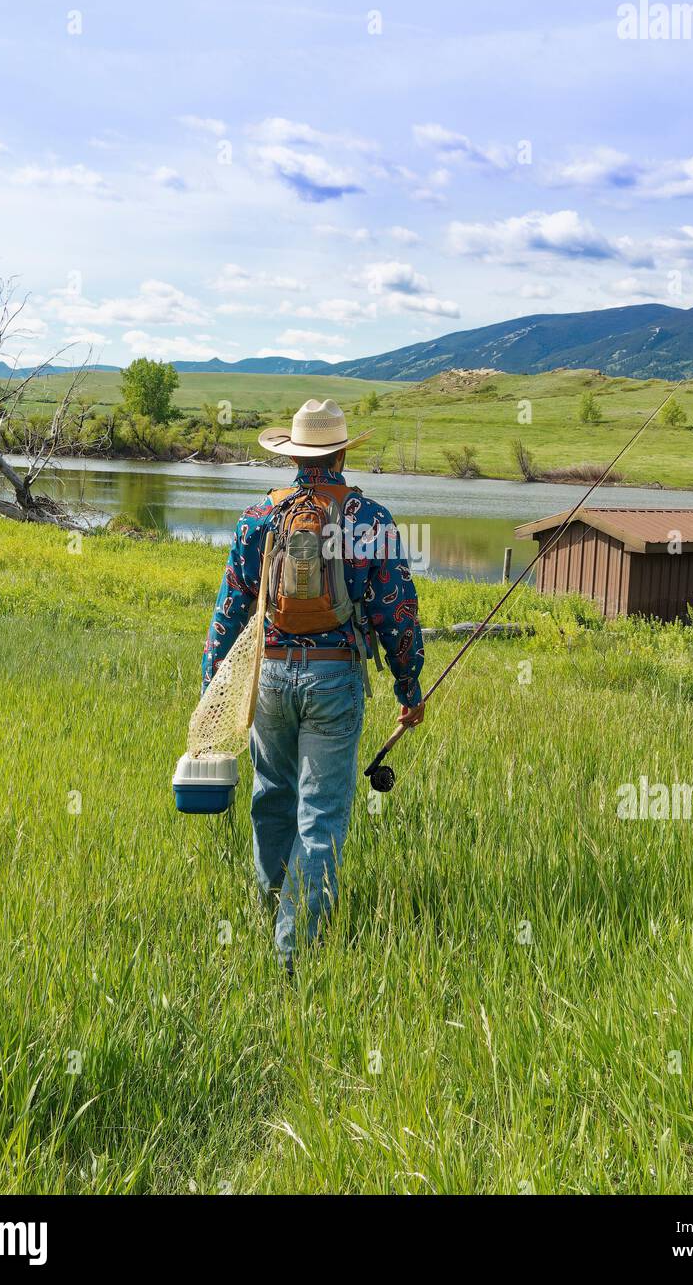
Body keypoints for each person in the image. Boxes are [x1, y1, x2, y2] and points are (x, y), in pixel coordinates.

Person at [202, 399, 424, 965]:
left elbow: (232, 604)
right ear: (344, 451)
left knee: (270, 797)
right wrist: (408, 688)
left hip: (269, 675)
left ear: (294, 455)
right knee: (320, 815)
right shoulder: (370, 519)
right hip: (335, 675)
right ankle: (292, 952)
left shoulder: (259, 516)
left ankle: (272, 914)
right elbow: (395, 612)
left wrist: (214, 681)